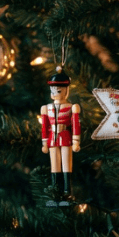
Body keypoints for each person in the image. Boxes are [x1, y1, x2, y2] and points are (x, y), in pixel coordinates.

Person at [40, 68, 80, 205]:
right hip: (52, 138)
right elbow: (45, 126)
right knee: (55, 165)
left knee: (66, 165)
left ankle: (67, 192)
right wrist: (44, 142)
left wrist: (76, 141)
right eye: (53, 90)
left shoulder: (71, 107)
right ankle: (55, 193)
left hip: (65, 136)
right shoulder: (46, 108)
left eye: (58, 90)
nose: (55, 93)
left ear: (66, 90)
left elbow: (75, 124)